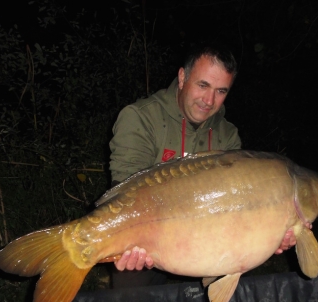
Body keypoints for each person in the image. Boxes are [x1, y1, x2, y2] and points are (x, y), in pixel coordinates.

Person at [108, 43, 296, 287]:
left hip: (202, 247)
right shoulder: (141, 118)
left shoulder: (227, 136)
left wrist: (270, 238)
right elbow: (122, 196)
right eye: (203, 85)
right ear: (183, 77)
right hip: (147, 243)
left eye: (221, 91)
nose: (209, 100)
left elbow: (236, 209)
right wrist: (123, 243)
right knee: (129, 301)